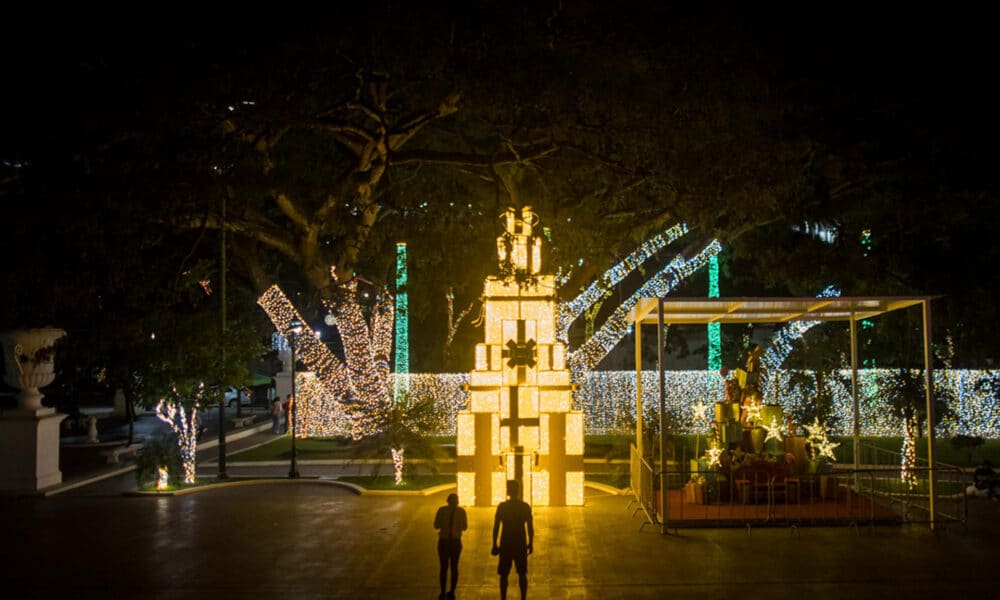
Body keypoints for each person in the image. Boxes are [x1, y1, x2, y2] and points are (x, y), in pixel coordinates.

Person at [492, 480, 533, 600]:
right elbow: (530, 527)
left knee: (504, 574)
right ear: (518, 491)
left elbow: (496, 526)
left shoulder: (503, 507)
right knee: (522, 573)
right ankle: (523, 597)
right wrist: (530, 543)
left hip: (506, 542)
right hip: (520, 542)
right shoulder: (524, 507)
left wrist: (494, 543)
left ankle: (503, 597)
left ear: (508, 491)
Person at [433, 493, 468, 600]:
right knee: (452, 567)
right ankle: (450, 591)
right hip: (453, 541)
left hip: (446, 541)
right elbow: (465, 527)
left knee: (445, 567)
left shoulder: (442, 511)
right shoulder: (460, 512)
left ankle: (445, 591)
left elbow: (436, 525)